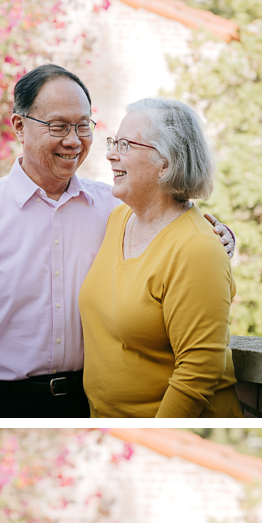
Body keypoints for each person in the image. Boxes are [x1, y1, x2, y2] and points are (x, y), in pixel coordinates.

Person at [0, 65, 235, 419]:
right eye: (58, 126)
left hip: (83, 404)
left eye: (83, 126)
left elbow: (173, 225)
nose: (74, 140)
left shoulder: (114, 208)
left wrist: (220, 235)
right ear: (19, 126)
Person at [80, 98, 243, 418]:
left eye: (125, 145)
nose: (111, 153)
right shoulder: (119, 220)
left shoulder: (198, 249)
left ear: (165, 163)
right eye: (114, 142)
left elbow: (199, 371)